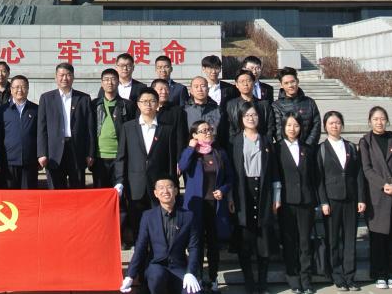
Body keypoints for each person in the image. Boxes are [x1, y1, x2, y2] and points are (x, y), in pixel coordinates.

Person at [115, 88, 179, 245]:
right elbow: (121, 157)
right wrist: (120, 181)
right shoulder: (128, 127)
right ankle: (140, 254)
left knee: (159, 224)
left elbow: (171, 161)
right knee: (137, 225)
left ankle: (158, 255)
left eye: (152, 101)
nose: (148, 105)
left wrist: (172, 184)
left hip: (159, 186)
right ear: (138, 104)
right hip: (135, 184)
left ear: (157, 104)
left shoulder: (167, 129)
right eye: (144, 101)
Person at [229, 101, 280, 294]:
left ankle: (262, 283)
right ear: (241, 119)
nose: (251, 118)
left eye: (254, 115)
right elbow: (230, 172)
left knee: (263, 241)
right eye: (247, 115)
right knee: (245, 241)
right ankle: (249, 283)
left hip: (264, 190)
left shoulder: (266, 140)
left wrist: (277, 196)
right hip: (243, 191)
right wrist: (230, 197)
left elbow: (274, 171)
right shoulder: (235, 141)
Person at [119, 177, 202, 294]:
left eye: (169, 187)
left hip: (179, 268)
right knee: (157, 277)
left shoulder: (188, 216)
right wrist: (130, 275)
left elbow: (194, 247)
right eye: (161, 188)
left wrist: (190, 272)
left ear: (176, 191)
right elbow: (140, 247)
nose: (165, 191)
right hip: (156, 267)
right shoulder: (148, 216)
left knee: (193, 291)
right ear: (156, 193)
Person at [179, 120, 232, 291]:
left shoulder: (219, 152)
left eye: (209, 129)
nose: (208, 132)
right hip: (196, 204)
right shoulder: (192, 153)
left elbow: (229, 177)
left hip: (214, 204)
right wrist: (190, 148)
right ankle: (199, 277)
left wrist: (223, 190)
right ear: (194, 135)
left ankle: (213, 277)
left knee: (213, 243)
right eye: (203, 130)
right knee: (197, 243)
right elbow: (182, 166)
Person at [318, 111, 366, 292]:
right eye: (331, 123)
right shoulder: (321, 149)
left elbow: (359, 174)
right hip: (331, 200)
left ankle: (350, 276)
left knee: (349, 239)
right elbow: (319, 179)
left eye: (337, 122)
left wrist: (361, 198)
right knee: (333, 240)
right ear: (325, 126)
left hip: (351, 199)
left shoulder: (351, 147)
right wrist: (323, 201)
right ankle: (337, 276)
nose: (334, 126)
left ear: (342, 125)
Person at [359, 106, 392, 291]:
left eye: (382, 118)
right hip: (376, 196)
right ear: (369, 121)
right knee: (377, 238)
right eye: (375, 119)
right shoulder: (365, 142)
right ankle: (379, 274)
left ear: (387, 121)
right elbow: (366, 168)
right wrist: (383, 185)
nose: (379, 122)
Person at [276, 113, 317, 294]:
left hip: (306, 201)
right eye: (289, 125)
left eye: (296, 125)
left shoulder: (307, 149)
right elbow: (275, 176)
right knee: (290, 242)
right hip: (286, 202)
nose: (292, 129)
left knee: (305, 242)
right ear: (284, 127)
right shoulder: (277, 148)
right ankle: (293, 279)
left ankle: (306, 279)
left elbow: (314, 176)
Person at [37, 62, 94, 189]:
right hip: (54, 152)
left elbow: (89, 128)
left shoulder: (84, 98)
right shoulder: (46, 98)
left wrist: (90, 153)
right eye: (61, 75)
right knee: (56, 190)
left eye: (68, 75)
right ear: (56, 77)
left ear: (73, 77)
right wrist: (42, 153)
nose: (65, 78)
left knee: (77, 189)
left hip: (76, 149)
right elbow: (41, 128)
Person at [91, 68, 135, 189]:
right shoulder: (94, 105)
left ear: (118, 82)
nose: (109, 82)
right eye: (106, 79)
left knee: (119, 191)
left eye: (113, 79)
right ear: (102, 83)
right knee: (100, 192)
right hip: (99, 157)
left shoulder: (127, 105)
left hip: (119, 157)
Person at [0, 75, 39, 189]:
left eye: (23, 87)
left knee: (28, 196)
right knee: (9, 197)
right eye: (16, 87)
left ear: (28, 89)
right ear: (11, 89)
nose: (19, 90)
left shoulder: (36, 110)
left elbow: (41, 135)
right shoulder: (2, 110)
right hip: (8, 162)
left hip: (30, 162)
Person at [219, 70, 272, 144]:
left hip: (260, 143)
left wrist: (266, 144)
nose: (245, 84)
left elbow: (270, 128)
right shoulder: (230, 105)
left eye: (248, 81)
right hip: (237, 144)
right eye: (242, 81)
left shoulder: (264, 105)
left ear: (254, 83)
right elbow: (229, 129)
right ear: (237, 85)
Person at [271, 68, 321, 146]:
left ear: (297, 81)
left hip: (308, 148)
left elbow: (316, 126)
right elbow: (278, 131)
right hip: (287, 149)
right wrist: (287, 147)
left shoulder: (310, 102)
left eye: (292, 82)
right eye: (286, 83)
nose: (290, 85)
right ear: (281, 85)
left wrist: (307, 146)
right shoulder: (276, 105)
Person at [152, 78, 189, 157]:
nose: (164, 92)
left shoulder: (177, 111)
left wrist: (180, 158)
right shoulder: (145, 109)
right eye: (160, 89)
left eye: (166, 89)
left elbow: (181, 137)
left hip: (170, 153)